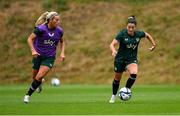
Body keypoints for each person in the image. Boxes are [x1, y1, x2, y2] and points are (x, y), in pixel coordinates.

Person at [109, 15, 156, 103]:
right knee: (117, 79)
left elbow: (147, 35)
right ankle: (113, 96)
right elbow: (112, 44)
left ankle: (126, 90)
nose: (130, 29)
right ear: (127, 26)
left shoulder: (138, 34)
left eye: (132, 27)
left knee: (134, 74)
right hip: (120, 59)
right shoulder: (122, 34)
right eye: (129, 27)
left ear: (135, 27)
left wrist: (153, 44)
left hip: (131, 59)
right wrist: (113, 51)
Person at [23, 11, 65, 103]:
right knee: (35, 77)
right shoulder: (40, 29)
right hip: (37, 56)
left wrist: (62, 53)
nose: (59, 22)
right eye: (56, 20)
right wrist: (33, 51)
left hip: (49, 57)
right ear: (50, 20)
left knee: (39, 76)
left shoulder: (59, 31)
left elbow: (62, 41)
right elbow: (30, 39)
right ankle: (39, 83)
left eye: (59, 20)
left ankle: (27, 95)